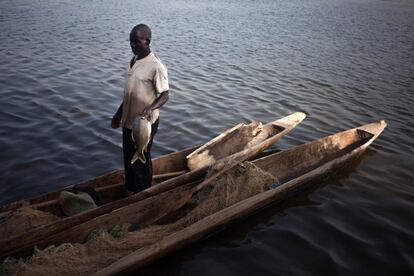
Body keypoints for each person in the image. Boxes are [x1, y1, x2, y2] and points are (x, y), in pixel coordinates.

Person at [111, 24, 169, 194]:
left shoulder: (156, 66)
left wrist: (151, 108)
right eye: (131, 42)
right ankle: (130, 189)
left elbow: (165, 95)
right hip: (129, 122)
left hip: (145, 123)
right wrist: (118, 114)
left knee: (141, 158)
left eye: (137, 42)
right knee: (129, 157)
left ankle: (143, 192)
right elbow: (130, 94)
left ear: (147, 41)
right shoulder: (133, 61)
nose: (133, 45)